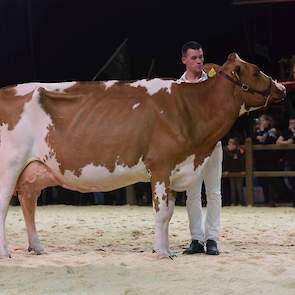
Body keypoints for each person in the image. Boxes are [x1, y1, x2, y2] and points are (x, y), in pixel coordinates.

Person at [178, 41, 222, 255]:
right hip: (190, 148)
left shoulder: (214, 82)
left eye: (201, 57)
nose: (198, 61)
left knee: (214, 192)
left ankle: (212, 239)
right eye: (194, 58)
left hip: (213, 142)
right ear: (184, 60)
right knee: (192, 194)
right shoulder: (178, 87)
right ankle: (197, 238)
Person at [253, 114, 279, 205]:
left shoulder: (272, 130)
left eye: (263, 120)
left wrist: (262, 137)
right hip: (260, 159)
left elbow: (269, 141)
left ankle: (273, 199)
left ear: (268, 121)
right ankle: (266, 200)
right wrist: (260, 136)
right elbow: (253, 140)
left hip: (269, 159)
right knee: (262, 180)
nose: (261, 122)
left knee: (270, 180)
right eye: (260, 120)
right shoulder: (257, 131)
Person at [276, 116, 295, 207]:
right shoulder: (286, 132)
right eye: (290, 123)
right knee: (287, 180)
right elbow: (278, 141)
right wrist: (287, 142)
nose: (291, 125)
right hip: (289, 159)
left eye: (293, 123)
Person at [223, 138, 246, 206]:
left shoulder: (240, 152)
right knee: (232, 188)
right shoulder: (227, 152)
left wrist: (243, 170)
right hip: (231, 173)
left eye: (230, 144)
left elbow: (242, 161)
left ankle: (241, 202)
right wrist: (226, 170)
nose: (228, 146)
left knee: (239, 187)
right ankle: (233, 202)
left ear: (235, 145)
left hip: (239, 172)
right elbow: (226, 162)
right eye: (228, 144)